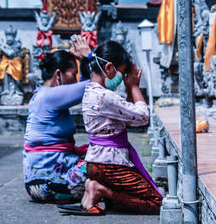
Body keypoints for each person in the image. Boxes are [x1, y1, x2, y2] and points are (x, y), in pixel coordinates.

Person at [60, 40, 163, 215]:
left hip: (96, 163)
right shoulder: (105, 96)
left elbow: (131, 118)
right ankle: (101, 191)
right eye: (121, 72)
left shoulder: (90, 91)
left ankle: (93, 188)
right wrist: (134, 86)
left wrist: (130, 89)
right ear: (108, 68)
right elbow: (143, 117)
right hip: (110, 165)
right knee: (156, 201)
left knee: (131, 196)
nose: (122, 78)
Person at [23, 37, 91, 203]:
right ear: (58, 74)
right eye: (73, 74)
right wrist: (90, 57)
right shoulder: (50, 96)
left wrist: (82, 62)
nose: (75, 79)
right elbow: (101, 83)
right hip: (53, 184)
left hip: (36, 185)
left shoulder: (42, 94)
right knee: (108, 160)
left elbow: (86, 86)